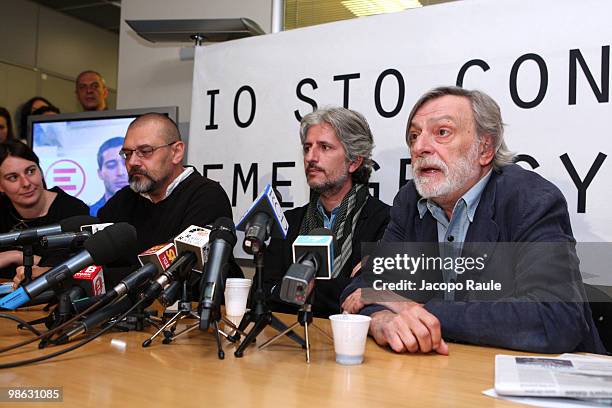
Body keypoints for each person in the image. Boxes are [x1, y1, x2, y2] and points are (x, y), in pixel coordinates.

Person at [341, 86, 605, 355]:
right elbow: (362, 288)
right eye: (414, 136)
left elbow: (555, 318)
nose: (419, 147)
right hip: (448, 372)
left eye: (442, 132)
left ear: (485, 149)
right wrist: (380, 319)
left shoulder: (531, 200)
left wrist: (414, 309)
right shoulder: (409, 201)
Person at [264, 107, 390, 317]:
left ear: (354, 161)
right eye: (307, 148)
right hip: (288, 343)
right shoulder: (289, 222)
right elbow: (263, 293)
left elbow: (373, 299)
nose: (311, 157)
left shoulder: (386, 222)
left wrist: (299, 290)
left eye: (324, 147)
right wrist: (340, 289)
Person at [96, 113, 242, 283]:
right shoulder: (122, 200)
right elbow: (96, 267)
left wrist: (115, 276)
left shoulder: (206, 196)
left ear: (176, 152)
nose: (133, 161)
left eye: (145, 151)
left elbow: (180, 274)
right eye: (127, 153)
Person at [0, 140, 89, 282]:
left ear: (40, 171)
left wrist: (15, 255)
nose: (26, 183)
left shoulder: (73, 210)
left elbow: (74, 267)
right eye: (13, 177)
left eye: (30, 171)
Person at [89, 137, 128, 216]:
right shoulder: (90, 215)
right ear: (100, 174)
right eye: (111, 165)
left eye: (126, 164)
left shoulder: (153, 210)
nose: (120, 172)